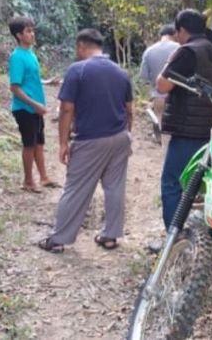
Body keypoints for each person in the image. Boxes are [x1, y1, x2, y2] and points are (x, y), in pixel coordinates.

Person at [38, 28, 133, 253]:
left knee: (76, 187)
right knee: (115, 186)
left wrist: (63, 142)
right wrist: (128, 136)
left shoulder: (77, 70)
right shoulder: (121, 72)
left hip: (90, 139)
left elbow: (67, 108)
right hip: (120, 137)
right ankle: (110, 236)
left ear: (81, 46)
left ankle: (58, 238)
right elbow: (130, 110)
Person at [156, 9, 212, 230]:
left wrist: (171, 59)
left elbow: (162, 85)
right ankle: (208, 237)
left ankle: (173, 239)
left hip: (187, 131)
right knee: (203, 186)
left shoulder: (187, 52)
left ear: (182, 30)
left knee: (172, 183)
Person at [8, 16, 58, 192]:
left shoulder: (30, 54)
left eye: (32, 30)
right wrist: (34, 104)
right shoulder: (17, 57)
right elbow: (14, 87)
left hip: (35, 108)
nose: (32, 34)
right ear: (19, 35)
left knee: (39, 143)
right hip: (24, 108)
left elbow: (30, 80)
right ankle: (28, 180)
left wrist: (47, 82)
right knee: (29, 144)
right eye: (28, 31)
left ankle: (43, 177)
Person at [139, 24, 179, 125]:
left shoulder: (149, 51)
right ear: (175, 34)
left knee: (161, 128)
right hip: (177, 98)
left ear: (160, 35)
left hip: (158, 97)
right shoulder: (180, 49)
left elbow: (144, 76)